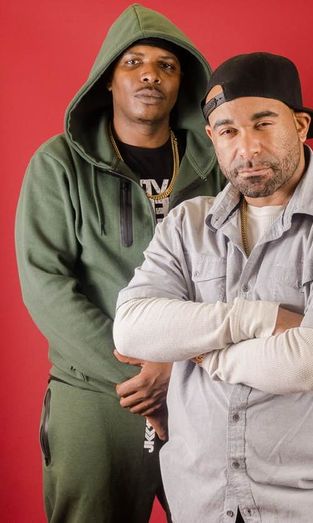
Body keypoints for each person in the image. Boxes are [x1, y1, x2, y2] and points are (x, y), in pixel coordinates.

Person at [113, 52, 313, 523]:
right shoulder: (187, 225)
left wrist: (200, 353)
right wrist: (260, 318)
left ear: (300, 126)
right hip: (203, 500)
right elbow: (131, 329)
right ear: (212, 138)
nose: (246, 148)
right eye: (228, 131)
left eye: (263, 124)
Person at [15, 4, 221, 521]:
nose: (151, 74)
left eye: (166, 66)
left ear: (183, 84)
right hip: (96, 389)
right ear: (107, 79)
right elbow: (46, 283)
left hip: (200, 386)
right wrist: (137, 372)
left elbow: (243, 272)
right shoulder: (59, 164)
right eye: (133, 62)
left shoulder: (215, 165)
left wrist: (177, 367)